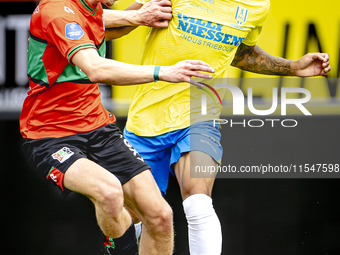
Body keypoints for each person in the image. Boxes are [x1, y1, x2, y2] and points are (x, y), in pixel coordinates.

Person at [122, 0, 331, 254]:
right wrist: (139, 15)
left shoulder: (257, 6)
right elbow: (108, 30)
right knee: (133, 217)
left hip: (200, 115)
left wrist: (293, 67)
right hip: (145, 120)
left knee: (198, 203)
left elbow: (241, 53)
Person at [20, 0, 216, 254]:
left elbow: (106, 20)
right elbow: (96, 68)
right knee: (110, 192)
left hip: (100, 129)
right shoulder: (56, 10)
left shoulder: (87, 9)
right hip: (50, 136)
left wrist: (138, 15)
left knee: (161, 216)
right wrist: (163, 71)